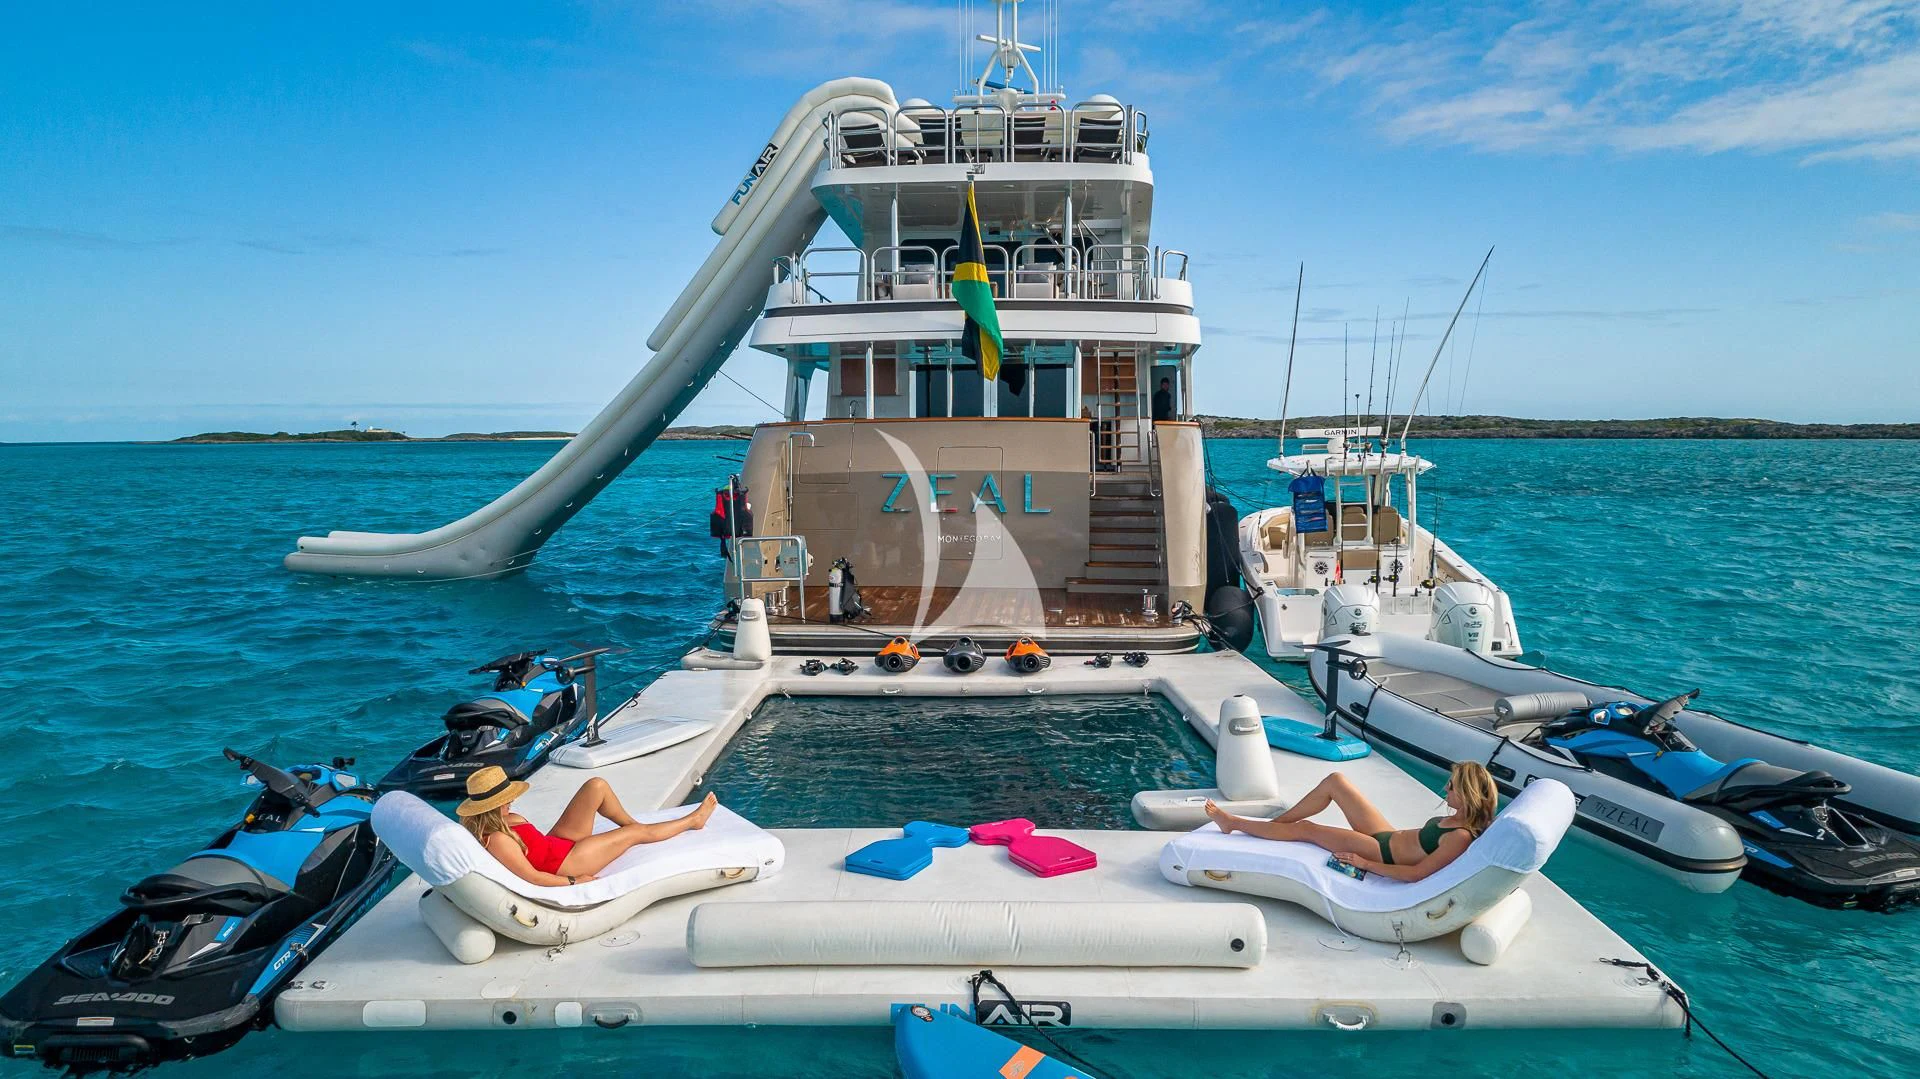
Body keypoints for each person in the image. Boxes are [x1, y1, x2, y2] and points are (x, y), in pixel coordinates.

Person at [1203, 761, 1498, 882]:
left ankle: (1233, 823)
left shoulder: (1460, 836)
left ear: (1467, 794)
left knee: (1307, 829)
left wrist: (1365, 863)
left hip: (1380, 852)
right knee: (1336, 781)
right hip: (1387, 835)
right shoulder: (1458, 819)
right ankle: (1275, 827)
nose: (1445, 789)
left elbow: (1417, 873)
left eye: (1452, 786)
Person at [457, 765, 719, 887]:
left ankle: (638, 830)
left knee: (596, 786)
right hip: (568, 863)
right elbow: (532, 877)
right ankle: (692, 821)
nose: (511, 801)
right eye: (505, 800)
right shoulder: (498, 839)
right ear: (490, 807)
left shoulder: (503, 819)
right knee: (634, 834)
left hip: (556, 844)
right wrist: (574, 881)